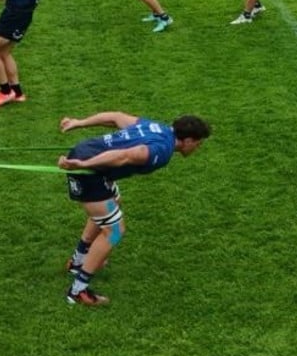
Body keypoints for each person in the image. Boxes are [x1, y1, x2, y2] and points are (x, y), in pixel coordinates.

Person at [57, 111, 212, 306]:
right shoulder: (162, 149)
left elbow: (115, 117)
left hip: (89, 156)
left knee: (113, 203)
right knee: (114, 231)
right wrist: (83, 164)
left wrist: (79, 123)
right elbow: (126, 156)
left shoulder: (156, 127)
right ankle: (78, 291)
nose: (197, 148)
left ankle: (78, 261)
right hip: (89, 171)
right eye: (198, 144)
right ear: (188, 140)